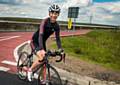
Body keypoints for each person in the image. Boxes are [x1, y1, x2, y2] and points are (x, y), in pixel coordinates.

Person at [27, 4, 63, 81]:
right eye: (52, 13)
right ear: (49, 13)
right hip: (35, 41)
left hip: (42, 42)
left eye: (56, 13)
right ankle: (30, 70)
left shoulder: (57, 26)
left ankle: (44, 79)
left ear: (58, 14)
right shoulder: (44, 22)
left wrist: (60, 49)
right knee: (42, 57)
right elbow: (40, 35)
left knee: (45, 60)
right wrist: (42, 49)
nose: (54, 15)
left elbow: (58, 39)